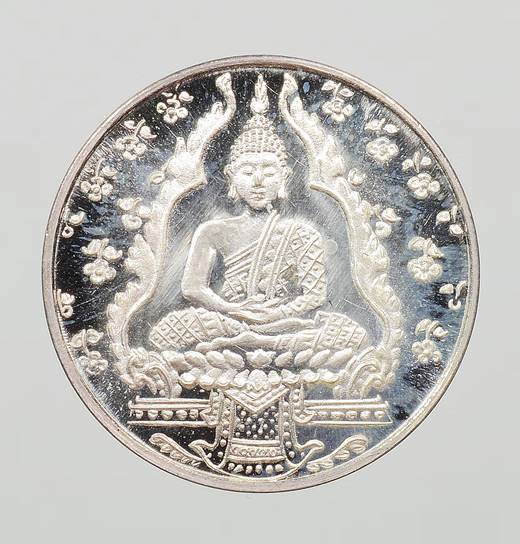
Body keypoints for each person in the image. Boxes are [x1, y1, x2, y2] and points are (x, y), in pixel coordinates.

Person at [149, 75, 367, 362]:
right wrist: (233, 310)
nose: (259, 181)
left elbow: (315, 296)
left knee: (349, 333)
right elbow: (192, 288)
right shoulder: (212, 230)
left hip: (285, 322)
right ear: (231, 176)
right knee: (167, 331)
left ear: (284, 176)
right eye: (248, 171)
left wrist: (274, 315)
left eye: (269, 171)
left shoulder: (301, 232)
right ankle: (263, 346)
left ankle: (244, 347)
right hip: (228, 320)